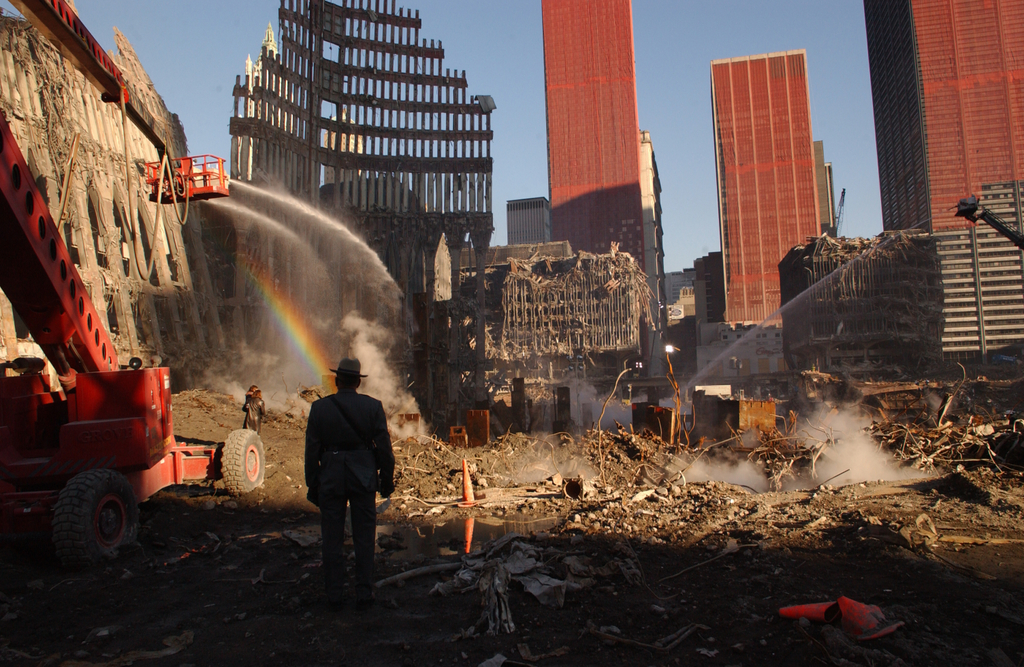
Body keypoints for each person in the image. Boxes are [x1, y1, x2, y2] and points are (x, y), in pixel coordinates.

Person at [304, 358, 395, 611]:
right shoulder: (372, 407)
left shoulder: (319, 408)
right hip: (364, 477)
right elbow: (385, 450)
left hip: (330, 478)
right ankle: (364, 594)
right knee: (365, 538)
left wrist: (313, 484)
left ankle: (334, 595)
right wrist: (386, 481)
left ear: (336, 380)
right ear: (357, 382)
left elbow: (311, 450)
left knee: (331, 539)